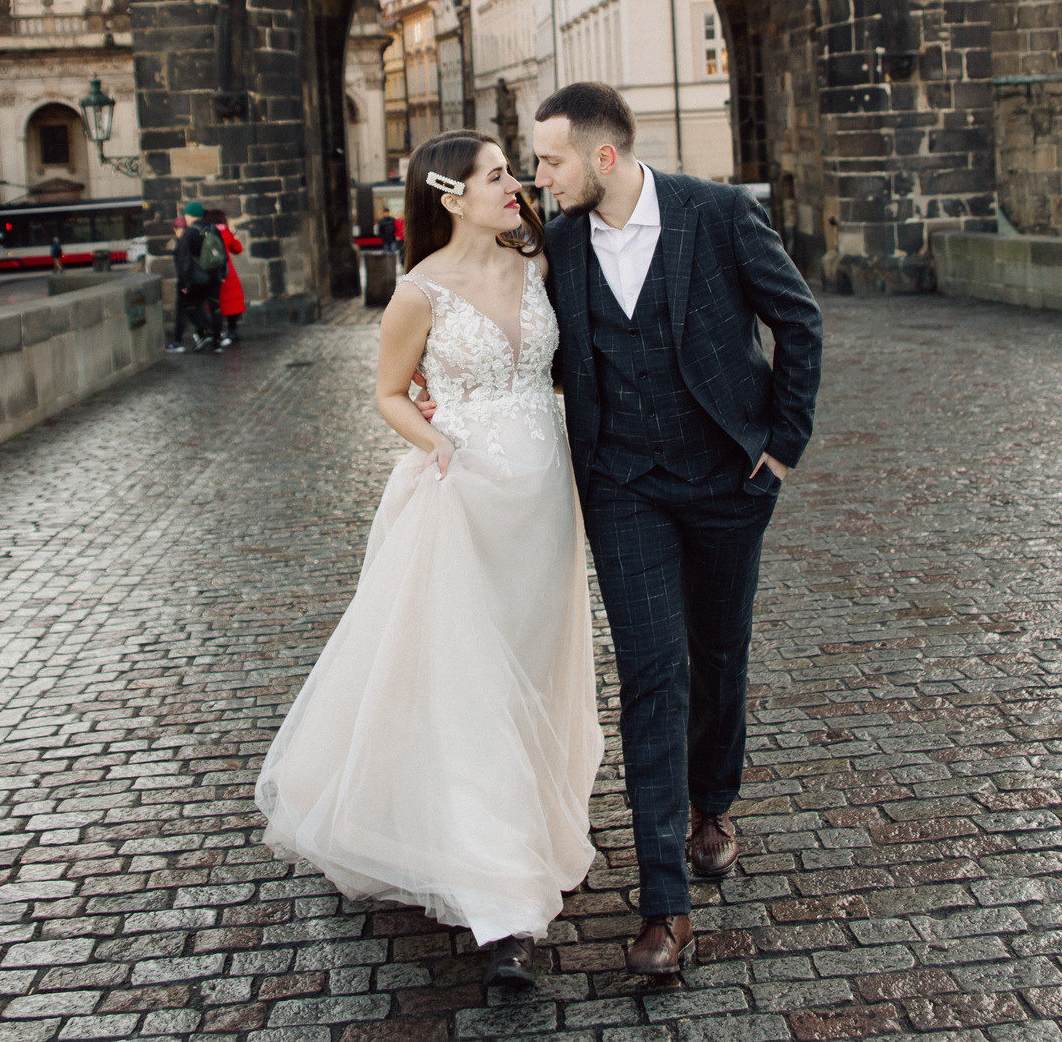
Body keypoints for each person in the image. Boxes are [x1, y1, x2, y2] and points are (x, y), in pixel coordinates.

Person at [257, 131, 595, 995]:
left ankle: (523, 822)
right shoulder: (418, 290)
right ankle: (503, 911)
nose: (514, 184)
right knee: (468, 682)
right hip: (463, 495)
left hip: (545, 497)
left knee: (530, 664)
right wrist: (440, 441)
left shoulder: (542, 261)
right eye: (496, 175)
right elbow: (387, 391)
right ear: (450, 197)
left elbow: (556, 373)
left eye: (512, 172)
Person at [530, 81, 822, 976]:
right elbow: (530, 343)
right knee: (654, 674)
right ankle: (664, 903)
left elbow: (798, 320)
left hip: (728, 477)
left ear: (603, 156)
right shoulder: (562, 242)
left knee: (719, 650)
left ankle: (713, 804)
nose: (541, 177)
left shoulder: (719, 214)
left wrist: (782, 447)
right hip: (624, 485)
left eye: (551, 159)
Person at [169, 202, 223, 353]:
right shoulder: (213, 229)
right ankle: (217, 343)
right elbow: (222, 253)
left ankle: (204, 331)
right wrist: (222, 274)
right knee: (215, 309)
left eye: (186, 215)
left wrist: (184, 284)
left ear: (190, 215)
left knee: (187, 304)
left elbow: (184, 261)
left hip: (197, 279)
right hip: (214, 277)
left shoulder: (189, 233)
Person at [207, 209, 246, 347]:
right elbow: (238, 249)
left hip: (212, 272)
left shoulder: (207, 233)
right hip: (228, 273)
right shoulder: (226, 232)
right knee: (232, 303)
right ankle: (232, 331)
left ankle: (217, 332)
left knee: (214, 304)